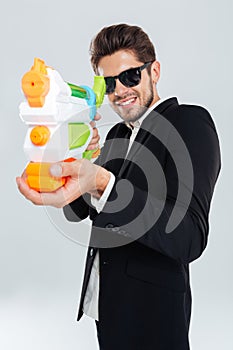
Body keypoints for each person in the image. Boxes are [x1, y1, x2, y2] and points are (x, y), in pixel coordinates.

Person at [16, 24, 221, 350]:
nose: (119, 90)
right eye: (108, 82)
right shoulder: (115, 137)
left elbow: (190, 237)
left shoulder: (189, 123)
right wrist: (74, 158)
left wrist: (102, 181)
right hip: (107, 305)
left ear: (154, 70)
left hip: (154, 313)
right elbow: (78, 212)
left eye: (130, 76)